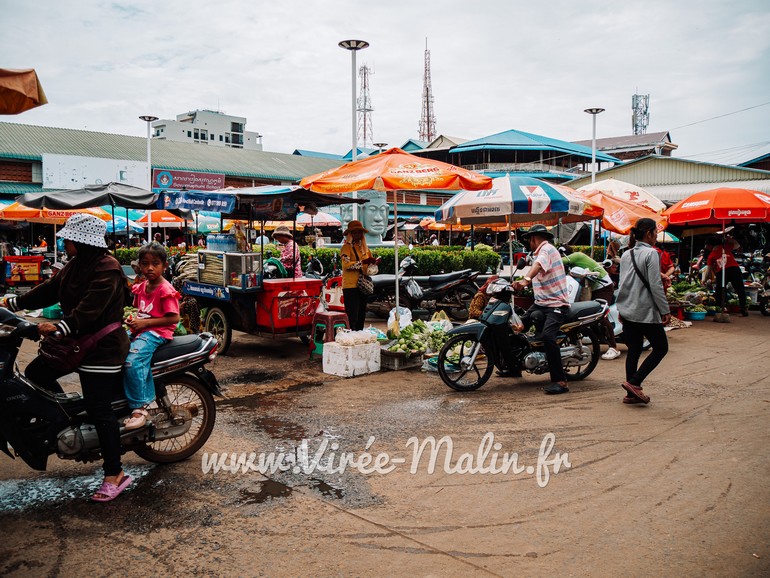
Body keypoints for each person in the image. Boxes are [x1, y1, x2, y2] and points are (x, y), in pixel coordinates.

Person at [2, 214, 131, 501]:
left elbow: (90, 310)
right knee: (35, 374)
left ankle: (115, 474)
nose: (64, 240)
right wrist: (12, 302)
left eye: (68, 237)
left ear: (83, 241)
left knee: (100, 408)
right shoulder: (74, 265)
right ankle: (64, 421)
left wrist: (59, 326)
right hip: (75, 342)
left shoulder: (107, 269)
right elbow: (48, 291)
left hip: (103, 347)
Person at [123, 243, 180, 430]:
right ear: (139, 265)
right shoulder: (141, 287)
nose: (149, 268)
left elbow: (174, 318)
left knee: (133, 361)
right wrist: (134, 320)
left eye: (155, 263)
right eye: (145, 263)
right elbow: (142, 313)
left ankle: (140, 408)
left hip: (158, 333)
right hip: (141, 330)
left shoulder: (165, 289)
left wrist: (145, 323)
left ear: (164, 265)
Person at [616, 218, 671, 405]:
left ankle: (630, 394)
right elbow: (655, 286)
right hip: (645, 311)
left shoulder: (626, 255)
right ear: (649, 233)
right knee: (661, 348)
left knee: (634, 350)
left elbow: (623, 284)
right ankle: (634, 383)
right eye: (656, 232)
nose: (656, 236)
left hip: (628, 309)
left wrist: (621, 309)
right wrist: (665, 309)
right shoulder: (651, 253)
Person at [512, 225, 571, 395]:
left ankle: (560, 381)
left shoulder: (547, 249)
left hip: (556, 305)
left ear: (533, 239)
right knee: (518, 326)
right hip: (541, 303)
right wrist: (515, 283)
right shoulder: (537, 253)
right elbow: (532, 266)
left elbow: (538, 266)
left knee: (548, 337)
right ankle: (514, 367)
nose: (528, 243)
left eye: (528, 240)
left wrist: (525, 280)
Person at [560, 247, 621, 360]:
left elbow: (557, 261)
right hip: (594, 289)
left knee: (601, 316)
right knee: (586, 316)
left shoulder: (576, 256)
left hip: (604, 287)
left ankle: (614, 347)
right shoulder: (573, 266)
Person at [340, 220, 376, 330]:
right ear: (350, 234)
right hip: (351, 286)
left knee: (361, 315)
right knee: (352, 316)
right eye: (354, 232)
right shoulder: (346, 248)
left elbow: (367, 267)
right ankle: (351, 336)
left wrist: (373, 263)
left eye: (359, 232)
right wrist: (363, 262)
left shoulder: (364, 248)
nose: (357, 235)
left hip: (362, 286)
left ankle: (359, 336)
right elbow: (346, 265)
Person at [705, 235, 748, 316]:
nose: (707, 248)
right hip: (735, 269)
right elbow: (737, 245)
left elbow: (708, 270)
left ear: (710, 245)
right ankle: (742, 307)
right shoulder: (724, 247)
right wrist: (728, 240)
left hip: (723, 271)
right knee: (740, 289)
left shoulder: (712, 254)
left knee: (720, 290)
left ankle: (719, 308)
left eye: (707, 246)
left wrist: (704, 280)